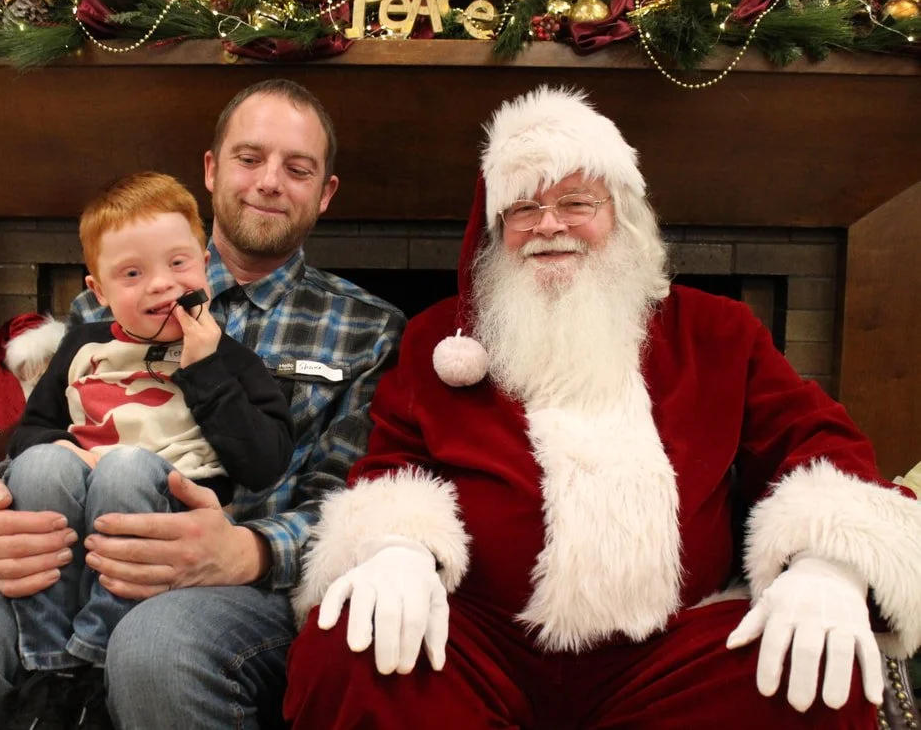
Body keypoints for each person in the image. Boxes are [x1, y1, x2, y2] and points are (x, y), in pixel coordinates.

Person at [284, 85, 921, 729]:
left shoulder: (719, 332)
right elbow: (393, 462)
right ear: (497, 229)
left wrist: (826, 563)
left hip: (673, 652)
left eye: (576, 202)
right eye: (524, 208)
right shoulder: (438, 341)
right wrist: (397, 548)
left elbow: (813, 438)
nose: (549, 225)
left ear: (622, 214)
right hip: (478, 647)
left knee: (808, 672)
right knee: (349, 650)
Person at [0, 78, 406, 730]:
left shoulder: (369, 328)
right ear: (211, 168)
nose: (269, 181)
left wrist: (248, 549)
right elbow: (45, 430)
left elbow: (353, 499)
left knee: (156, 647)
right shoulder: (110, 300)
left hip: (245, 587)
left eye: (297, 168)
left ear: (325, 192)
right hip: (75, 557)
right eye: (249, 158)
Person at [0, 171, 295, 726]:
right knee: (38, 463)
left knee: (128, 468)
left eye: (178, 264)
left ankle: (93, 659)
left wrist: (203, 366)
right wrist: (72, 452)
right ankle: (48, 666)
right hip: (79, 515)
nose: (161, 285)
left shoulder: (228, 357)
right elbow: (29, 434)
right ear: (99, 291)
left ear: (204, 265)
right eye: (133, 274)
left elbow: (266, 461)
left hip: (172, 521)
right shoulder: (83, 347)